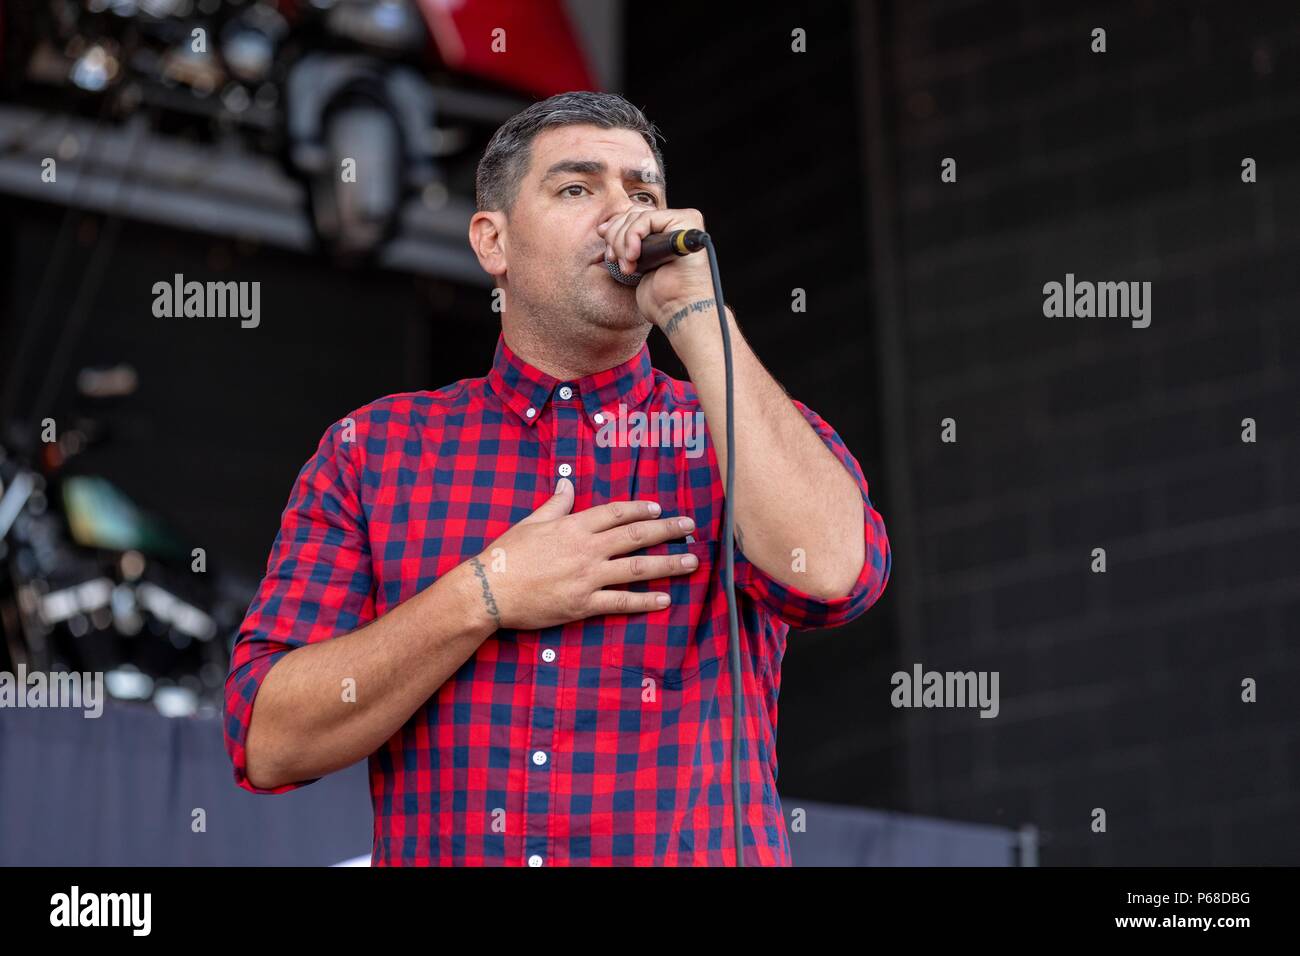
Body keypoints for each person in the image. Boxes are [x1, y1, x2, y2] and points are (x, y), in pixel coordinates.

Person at [223, 90, 891, 866]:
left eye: (642, 192)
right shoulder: (374, 451)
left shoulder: (736, 433)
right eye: (577, 189)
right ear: (491, 242)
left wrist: (699, 317)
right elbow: (266, 739)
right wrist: (484, 593)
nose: (621, 216)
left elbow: (841, 577)